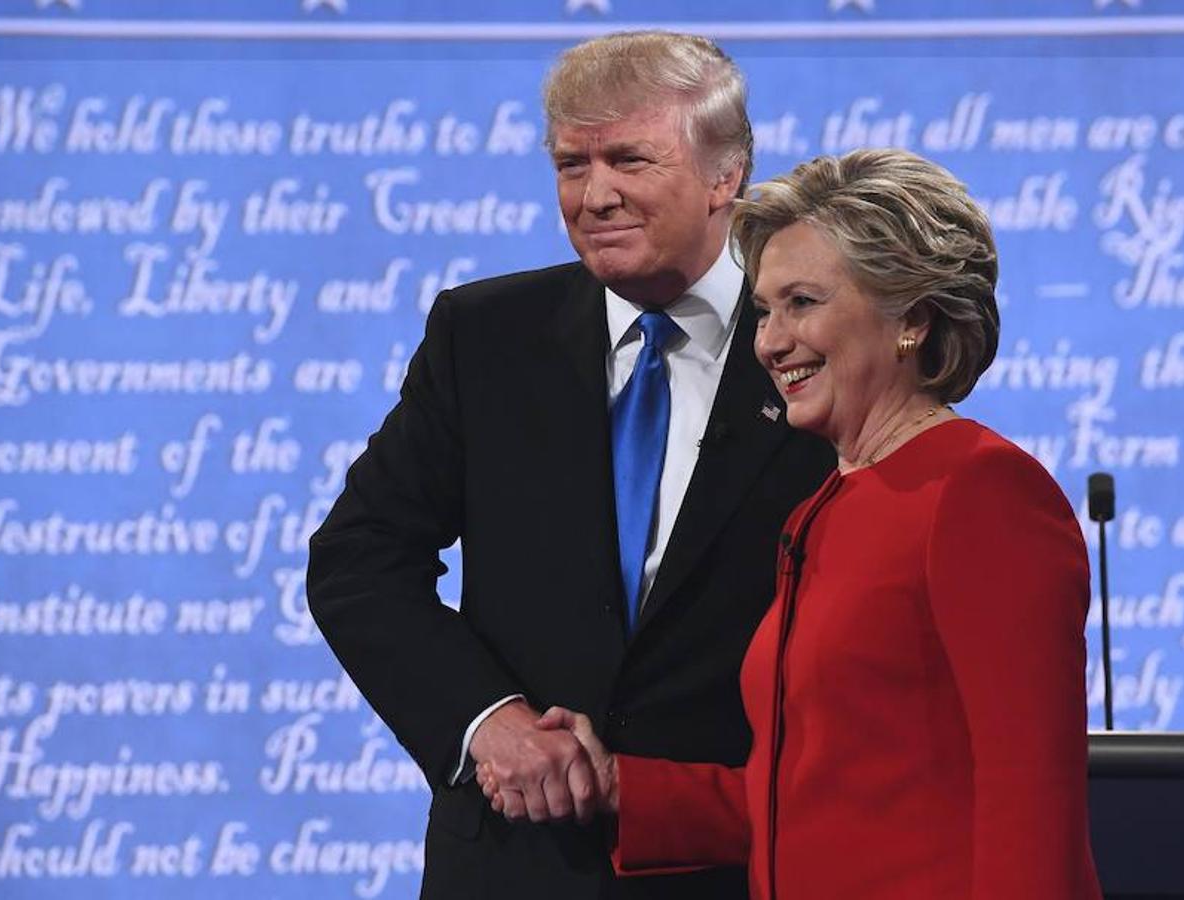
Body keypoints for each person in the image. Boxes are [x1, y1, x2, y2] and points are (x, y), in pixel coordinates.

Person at [480, 149, 1104, 899]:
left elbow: (1031, 806)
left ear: (910, 318)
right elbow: (804, 802)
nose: (769, 342)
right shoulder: (822, 508)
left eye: (803, 303)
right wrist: (619, 785)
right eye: (765, 309)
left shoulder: (977, 492)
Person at [306, 31, 834, 900]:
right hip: (515, 862)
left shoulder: (813, 342)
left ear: (725, 176)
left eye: (629, 159)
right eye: (569, 165)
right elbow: (359, 560)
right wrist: (486, 723)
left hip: (742, 858)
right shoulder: (485, 337)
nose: (594, 196)